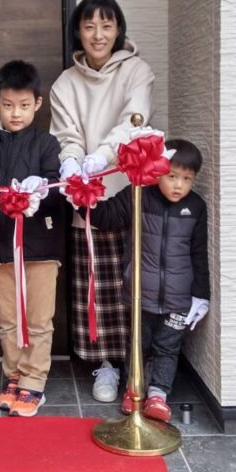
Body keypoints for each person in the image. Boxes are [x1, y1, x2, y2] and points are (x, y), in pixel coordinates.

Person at [49, 0, 154, 402]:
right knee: (97, 286)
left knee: (134, 281)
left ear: (118, 30)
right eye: (89, 26)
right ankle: (105, 365)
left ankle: (140, 364)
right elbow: (67, 135)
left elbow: (134, 122)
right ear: (77, 31)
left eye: (106, 26)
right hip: (87, 195)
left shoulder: (137, 70)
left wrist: (102, 157)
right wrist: (73, 163)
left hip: (128, 190)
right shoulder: (64, 84)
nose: (98, 34)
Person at [0, 61, 64, 417]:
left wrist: (41, 189)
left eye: (23, 105)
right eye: (7, 105)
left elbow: (57, 187)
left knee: (38, 320)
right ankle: (13, 376)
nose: (15, 113)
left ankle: (34, 380)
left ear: (37, 104)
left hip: (40, 248)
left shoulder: (47, 143)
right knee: (7, 319)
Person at [89, 139, 210, 421]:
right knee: (138, 344)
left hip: (179, 298)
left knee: (168, 347)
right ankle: (134, 390)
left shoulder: (196, 207)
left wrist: (201, 295)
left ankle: (158, 395)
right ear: (157, 171)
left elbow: (199, 253)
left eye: (187, 179)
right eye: (172, 176)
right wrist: (84, 196)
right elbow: (105, 217)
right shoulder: (139, 194)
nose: (178, 185)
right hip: (140, 292)